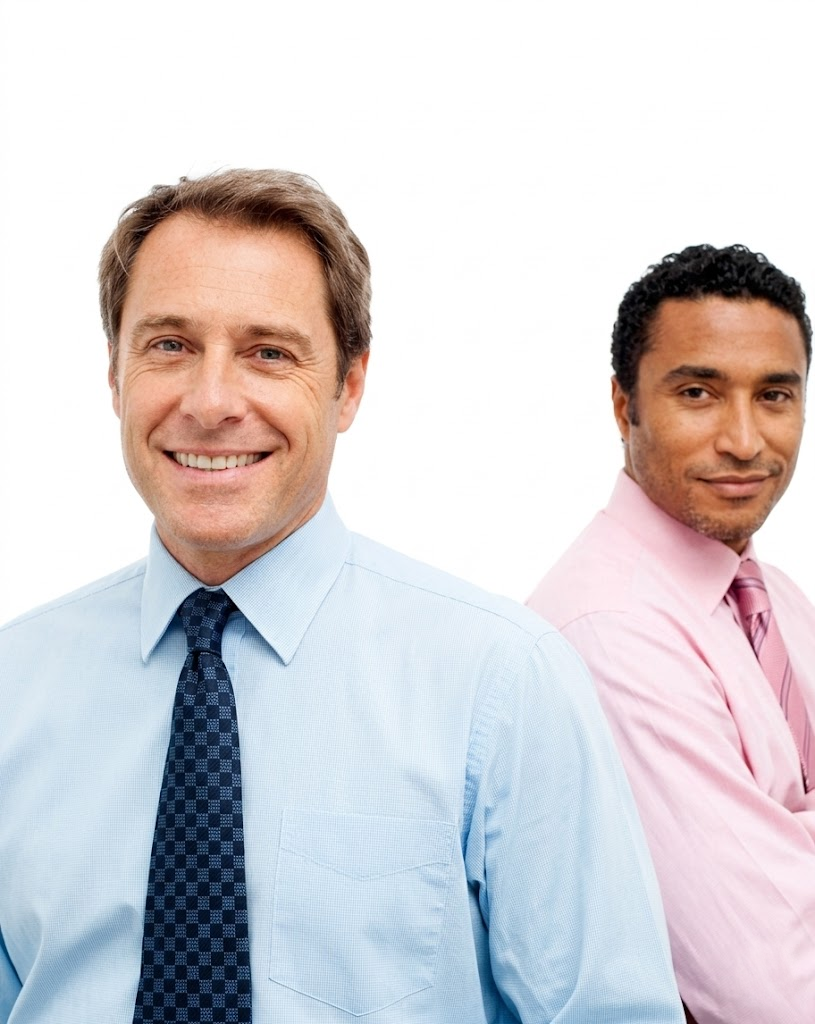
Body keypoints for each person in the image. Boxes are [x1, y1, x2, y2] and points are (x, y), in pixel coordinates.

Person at [0, 169, 682, 1022]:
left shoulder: (501, 685)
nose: (211, 402)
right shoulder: (12, 688)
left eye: (268, 353)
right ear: (113, 373)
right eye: (169, 345)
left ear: (349, 384)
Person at [528, 243, 815, 1024]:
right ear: (624, 406)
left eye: (775, 396)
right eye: (698, 393)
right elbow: (774, 990)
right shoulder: (609, 632)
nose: (745, 440)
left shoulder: (771, 599)